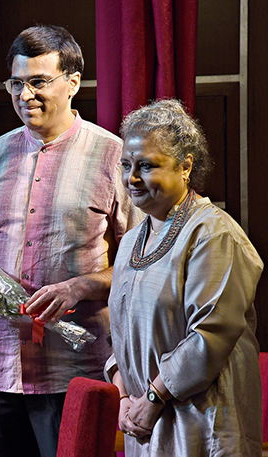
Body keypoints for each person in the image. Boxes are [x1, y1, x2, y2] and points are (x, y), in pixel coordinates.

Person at [0, 25, 139, 457]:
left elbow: (144, 264)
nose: (25, 95)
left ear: (73, 83)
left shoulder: (115, 157)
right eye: (16, 84)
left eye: (38, 81)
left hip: (77, 368)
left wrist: (82, 286)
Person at [107, 99, 263, 456]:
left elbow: (209, 336)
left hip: (201, 423)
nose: (132, 178)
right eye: (126, 165)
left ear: (185, 166)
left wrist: (153, 397)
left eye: (147, 166)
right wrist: (123, 393)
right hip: (144, 421)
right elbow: (120, 330)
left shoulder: (214, 233)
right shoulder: (132, 239)